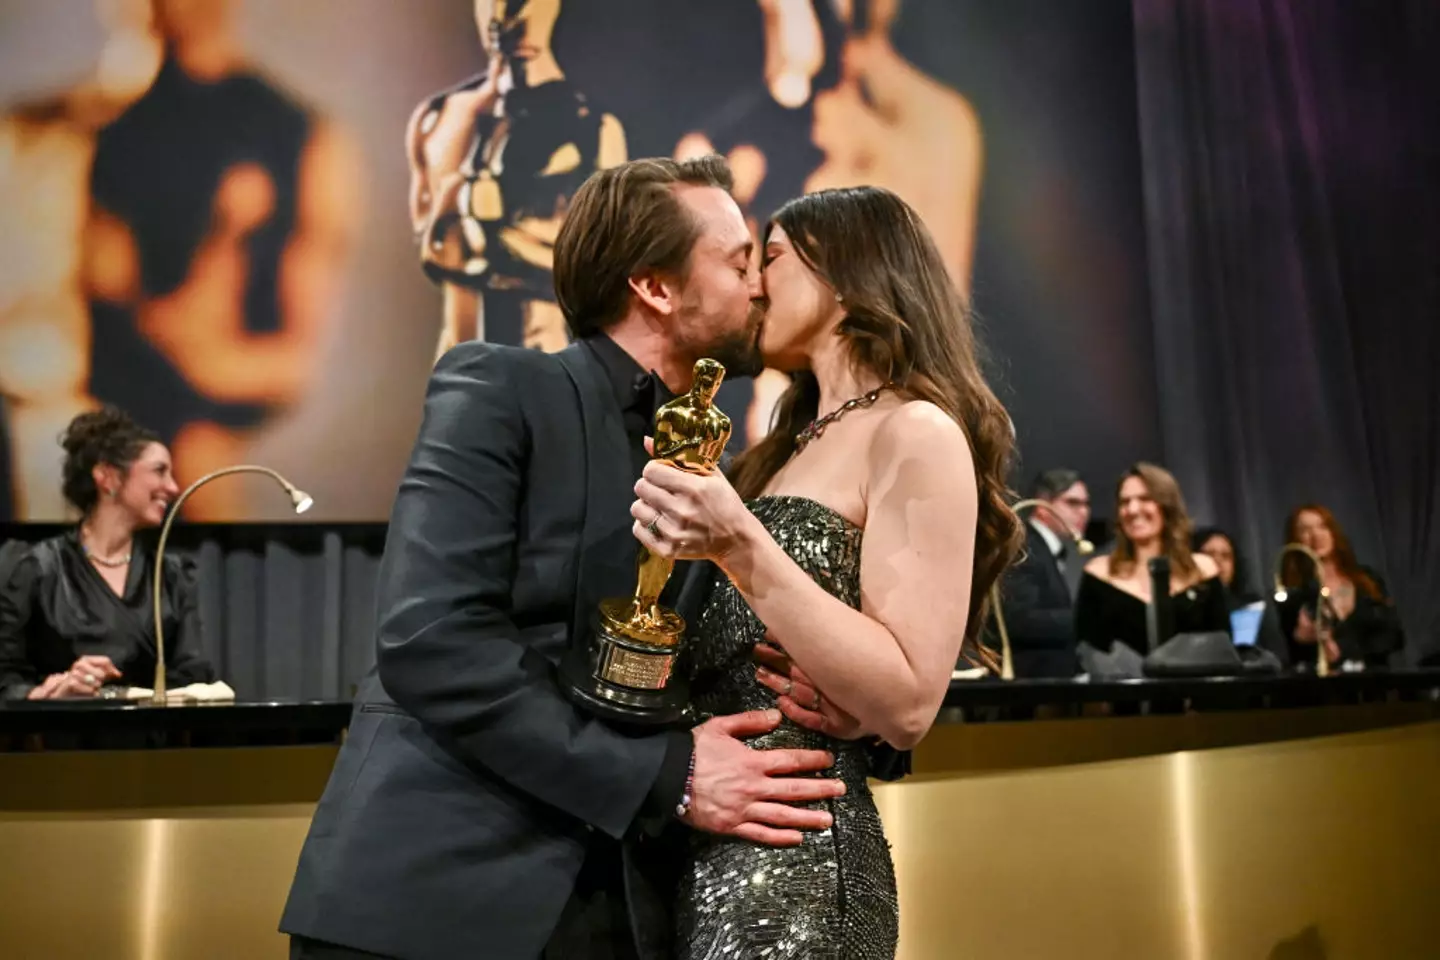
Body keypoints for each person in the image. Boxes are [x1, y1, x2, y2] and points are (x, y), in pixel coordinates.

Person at [280, 156, 852, 960]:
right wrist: (671, 777)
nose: (760, 284)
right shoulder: (501, 386)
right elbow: (431, 641)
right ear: (654, 286)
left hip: (618, 912)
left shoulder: (720, 475)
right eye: (737, 262)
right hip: (433, 900)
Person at [626, 186, 1021, 958]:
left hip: (798, 867)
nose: (754, 284)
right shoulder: (777, 450)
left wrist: (739, 544)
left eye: (769, 257)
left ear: (845, 269)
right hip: (699, 850)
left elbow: (907, 702)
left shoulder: (915, 429)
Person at [84, 0, 359, 519]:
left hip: (202, 435)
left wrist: (197, 350)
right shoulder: (91, 135)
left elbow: (290, 362)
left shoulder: (297, 139)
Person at [407, 0, 627, 357]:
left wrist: (504, 242)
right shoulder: (438, 120)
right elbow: (432, 244)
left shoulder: (593, 131)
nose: (506, 16)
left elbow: (606, 270)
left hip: (539, 361)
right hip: (460, 368)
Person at [0, 407, 214, 699]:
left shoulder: (171, 575)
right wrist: (51, 692)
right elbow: (6, 680)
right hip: (63, 741)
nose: (173, 487)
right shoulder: (37, 568)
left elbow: (194, 675)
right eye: (159, 471)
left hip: (149, 741)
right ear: (108, 477)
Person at [1075, 463, 1228, 655]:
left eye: (1145, 499)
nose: (1132, 509)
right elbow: (1086, 655)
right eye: (1124, 502)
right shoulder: (1098, 574)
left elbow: (1222, 651)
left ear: (1167, 506)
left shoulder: (1203, 571)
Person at [1277, 504, 1403, 671]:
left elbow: (1395, 635)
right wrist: (1301, 640)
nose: (1316, 535)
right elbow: (1286, 656)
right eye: (1305, 530)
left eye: (1322, 526)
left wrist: (1346, 651)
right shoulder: (1293, 595)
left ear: (1333, 533)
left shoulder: (1367, 580)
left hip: (1375, 684)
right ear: (1295, 540)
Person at [993, 468, 1090, 678]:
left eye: (1085, 504)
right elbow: (1020, 620)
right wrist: (1088, 622)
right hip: (1030, 686)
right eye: (1073, 503)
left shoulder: (1038, 547)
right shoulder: (1024, 546)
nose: (1084, 512)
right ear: (1042, 506)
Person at [1192, 525, 1287, 662]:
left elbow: (1278, 658)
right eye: (1209, 554)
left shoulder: (1253, 607)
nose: (1218, 561)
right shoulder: (1184, 607)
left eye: (1226, 556)